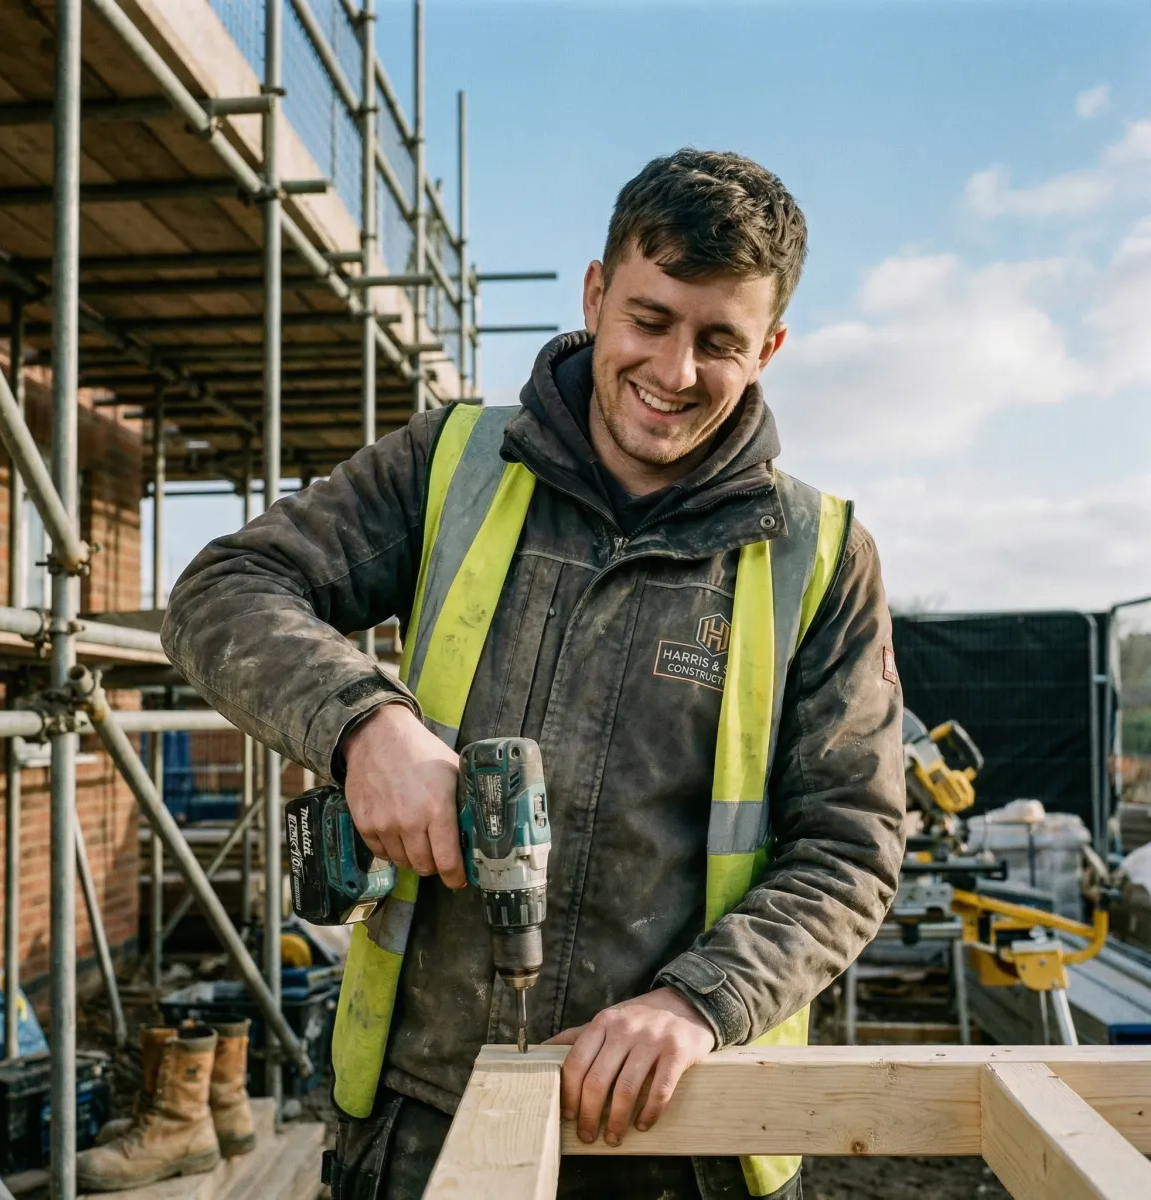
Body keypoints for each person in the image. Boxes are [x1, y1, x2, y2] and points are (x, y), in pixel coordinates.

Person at [162, 148, 906, 1200]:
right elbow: (224, 591)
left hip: (683, 1136)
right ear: (596, 295)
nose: (675, 371)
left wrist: (700, 1000)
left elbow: (853, 846)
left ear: (770, 348)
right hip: (424, 1112)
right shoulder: (453, 465)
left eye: (720, 341)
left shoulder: (817, 555)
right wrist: (363, 723)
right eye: (650, 320)